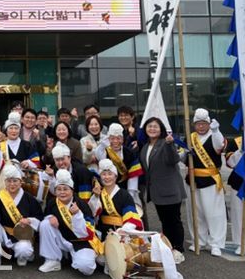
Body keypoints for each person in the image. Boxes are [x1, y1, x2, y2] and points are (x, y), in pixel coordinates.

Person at [139, 117, 186, 263]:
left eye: (155, 126)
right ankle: (168, 247)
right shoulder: (145, 147)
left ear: (161, 130)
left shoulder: (165, 143)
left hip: (170, 189)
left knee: (174, 220)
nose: (152, 129)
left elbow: (173, 159)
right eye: (149, 126)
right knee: (165, 221)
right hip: (156, 191)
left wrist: (170, 144)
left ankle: (178, 249)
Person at [38, 169, 100, 275]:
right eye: (59, 189)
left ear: (72, 190)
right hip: (63, 239)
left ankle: (75, 256)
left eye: (65, 189)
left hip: (81, 242)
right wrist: (50, 217)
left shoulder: (82, 205)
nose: (62, 192)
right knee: (45, 224)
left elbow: (87, 233)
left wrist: (77, 215)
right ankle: (52, 260)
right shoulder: (52, 202)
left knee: (86, 268)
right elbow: (46, 215)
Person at [184, 108, 227, 256]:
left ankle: (216, 243)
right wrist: (184, 154)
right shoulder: (190, 137)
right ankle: (199, 240)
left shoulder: (214, 135)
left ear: (209, 124)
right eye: (198, 124)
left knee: (214, 213)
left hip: (210, 179)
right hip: (192, 179)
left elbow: (219, 146)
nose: (201, 126)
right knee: (196, 213)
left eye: (204, 123)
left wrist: (216, 131)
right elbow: (182, 158)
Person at [0, 166, 44, 268]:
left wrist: (29, 220)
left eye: (15, 181)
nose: (12, 184)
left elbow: (39, 217)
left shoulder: (29, 198)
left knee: (24, 250)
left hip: (22, 235)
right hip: (4, 233)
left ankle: (22, 257)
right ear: (5, 182)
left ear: (20, 182)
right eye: (9, 181)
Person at [89, 159, 143, 239]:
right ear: (100, 177)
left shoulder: (124, 195)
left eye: (110, 174)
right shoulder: (97, 194)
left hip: (123, 233)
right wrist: (95, 197)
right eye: (103, 174)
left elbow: (131, 216)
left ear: (115, 176)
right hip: (103, 234)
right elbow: (92, 214)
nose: (107, 177)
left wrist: (124, 230)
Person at [94, 123, 143, 208]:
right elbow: (97, 154)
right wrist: (103, 144)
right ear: (108, 139)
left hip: (125, 188)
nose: (115, 141)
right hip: (107, 188)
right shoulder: (104, 152)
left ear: (123, 139)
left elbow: (133, 175)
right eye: (112, 138)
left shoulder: (130, 153)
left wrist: (130, 193)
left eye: (118, 138)